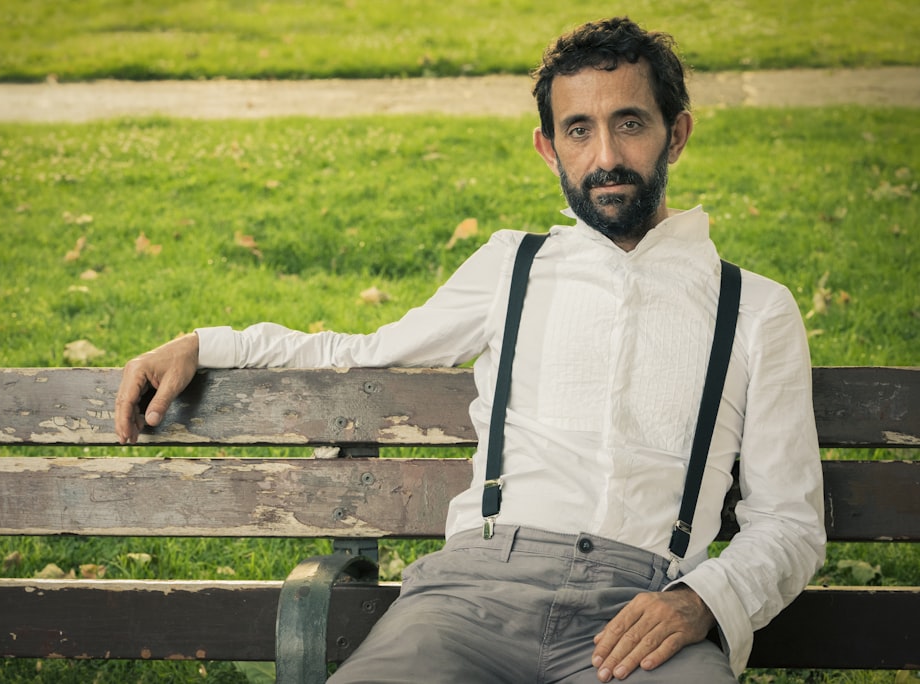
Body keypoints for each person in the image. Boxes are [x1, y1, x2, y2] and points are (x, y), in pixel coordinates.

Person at [116, 17, 825, 682]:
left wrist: (701, 600)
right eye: (579, 130)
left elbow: (789, 520)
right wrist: (208, 342)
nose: (605, 157)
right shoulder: (511, 267)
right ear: (549, 148)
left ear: (676, 135)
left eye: (629, 124)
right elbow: (362, 353)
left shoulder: (756, 310)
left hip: (642, 618)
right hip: (469, 599)